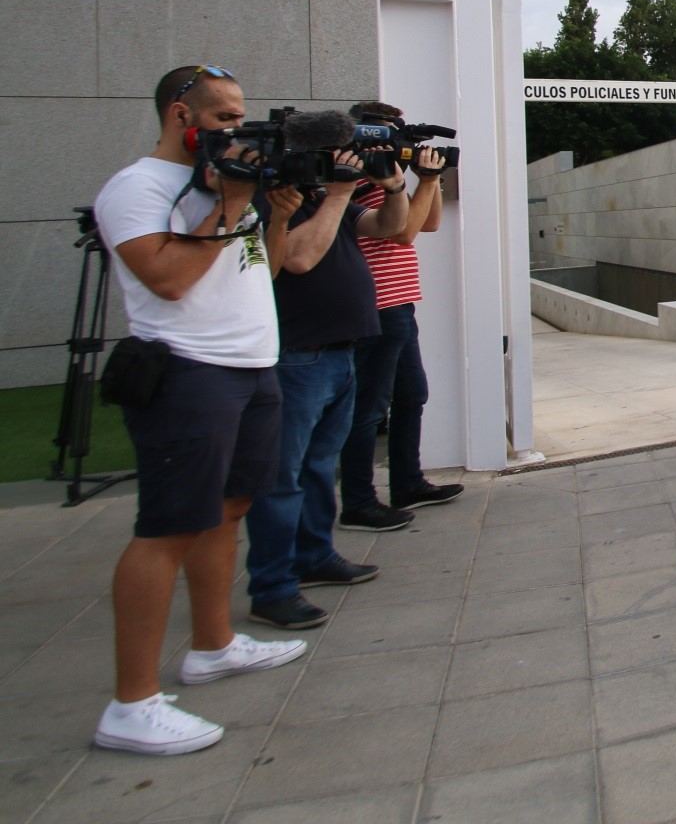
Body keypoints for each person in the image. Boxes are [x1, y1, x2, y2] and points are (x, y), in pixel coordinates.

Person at [90, 65, 309, 756]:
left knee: (231, 506)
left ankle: (212, 645)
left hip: (250, 367)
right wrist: (224, 205)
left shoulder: (231, 188)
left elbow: (259, 274)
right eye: (221, 120)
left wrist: (264, 212)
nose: (234, 132)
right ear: (181, 115)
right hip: (188, 372)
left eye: (240, 119)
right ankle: (131, 704)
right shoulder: (136, 189)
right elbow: (168, 278)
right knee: (167, 528)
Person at [243, 142, 409, 630]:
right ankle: (272, 586)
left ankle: (315, 555)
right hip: (298, 355)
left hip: (340, 351)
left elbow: (389, 227)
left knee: (317, 467)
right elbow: (296, 259)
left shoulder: (326, 199)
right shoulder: (276, 201)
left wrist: (395, 186)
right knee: (282, 476)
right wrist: (337, 194)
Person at [339, 100, 463, 527]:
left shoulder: (389, 177)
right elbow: (403, 232)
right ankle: (357, 501)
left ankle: (408, 482)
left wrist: (427, 178)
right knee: (369, 408)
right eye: (390, 133)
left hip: (399, 302)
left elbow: (428, 223)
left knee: (412, 395)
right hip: (374, 305)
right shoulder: (355, 178)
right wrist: (418, 180)